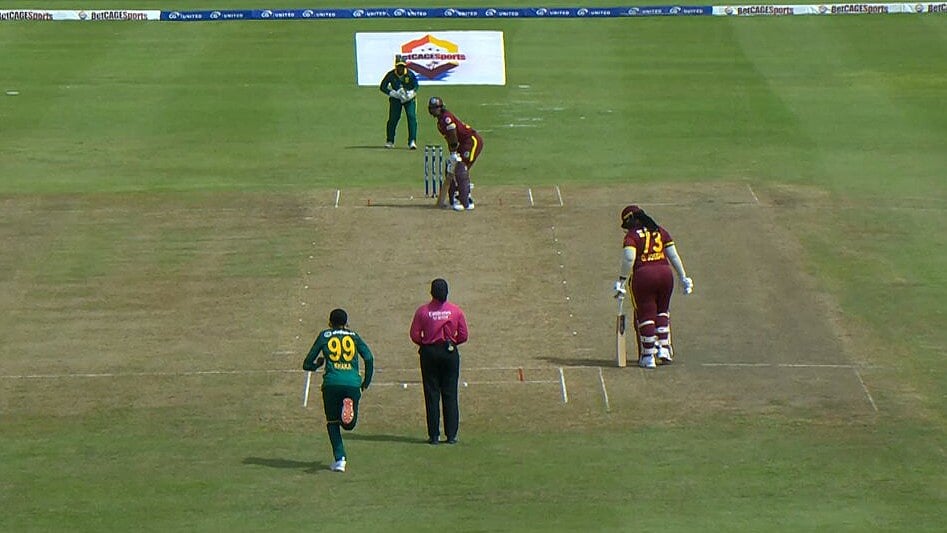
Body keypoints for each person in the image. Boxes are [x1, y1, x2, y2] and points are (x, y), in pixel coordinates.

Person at [613, 205, 693, 369]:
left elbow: (629, 258)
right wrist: (683, 277)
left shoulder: (632, 236)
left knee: (646, 314)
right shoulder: (660, 231)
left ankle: (648, 355)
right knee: (662, 311)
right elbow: (673, 255)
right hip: (665, 275)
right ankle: (664, 348)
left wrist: (621, 280)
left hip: (644, 277)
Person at [302, 308, 374, 472]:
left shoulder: (324, 336)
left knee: (333, 422)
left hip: (332, 383)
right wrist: (365, 383)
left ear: (330, 322)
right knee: (349, 425)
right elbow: (369, 358)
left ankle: (340, 459)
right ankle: (347, 410)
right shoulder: (354, 336)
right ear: (346, 323)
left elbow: (306, 363)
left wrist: (318, 364)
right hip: (353, 383)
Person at [409, 278, 469, 444]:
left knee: (431, 394)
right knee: (450, 394)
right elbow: (463, 335)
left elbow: (414, 334)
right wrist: (452, 343)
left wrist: (425, 344)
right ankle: (451, 435)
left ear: (431, 292)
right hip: (449, 353)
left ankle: (434, 435)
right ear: (447, 292)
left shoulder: (423, 311)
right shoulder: (455, 311)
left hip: (429, 353)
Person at [427, 96, 483, 211]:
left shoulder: (446, 118)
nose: (434, 110)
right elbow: (450, 139)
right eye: (432, 108)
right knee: (453, 168)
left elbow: (453, 135)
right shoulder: (440, 122)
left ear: (441, 107)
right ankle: (458, 196)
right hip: (462, 145)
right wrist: (453, 153)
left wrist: (453, 152)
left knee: (461, 168)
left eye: (436, 107)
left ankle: (465, 199)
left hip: (471, 142)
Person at [378, 55, 419, 149]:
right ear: (396, 66)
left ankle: (412, 141)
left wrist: (412, 93)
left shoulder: (410, 74)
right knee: (393, 118)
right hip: (396, 99)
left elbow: (416, 85)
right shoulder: (391, 74)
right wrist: (392, 93)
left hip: (409, 99)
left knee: (411, 117)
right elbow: (382, 86)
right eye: (399, 66)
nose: (401, 68)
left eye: (402, 66)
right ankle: (390, 141)